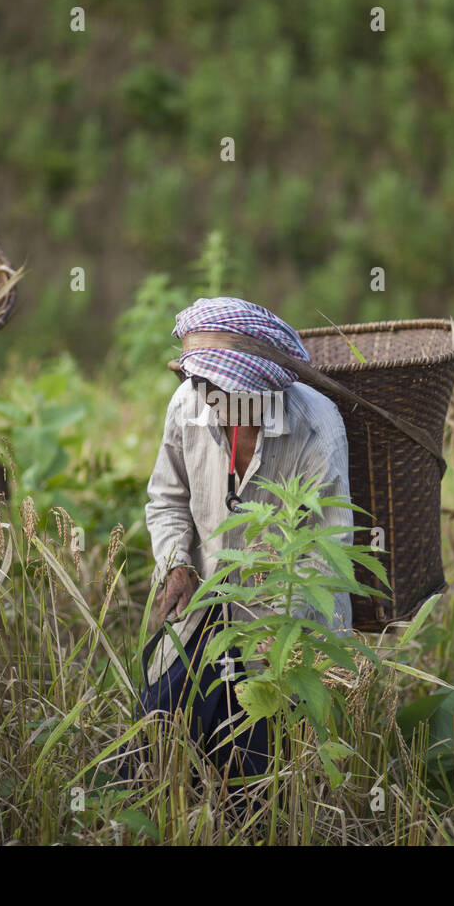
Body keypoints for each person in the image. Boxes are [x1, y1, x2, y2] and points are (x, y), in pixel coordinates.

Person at [136, 297, 352, 780]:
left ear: (260, 387)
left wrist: (272, 640)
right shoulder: (189, 403)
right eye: (202, 385)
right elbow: (167, 496)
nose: (207, 397)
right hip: (209, 600)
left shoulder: (315, 430)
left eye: (221, 389)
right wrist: (176, 564)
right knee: (159, 734)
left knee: (258, 769)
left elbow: (326, 556)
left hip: (288, 626)